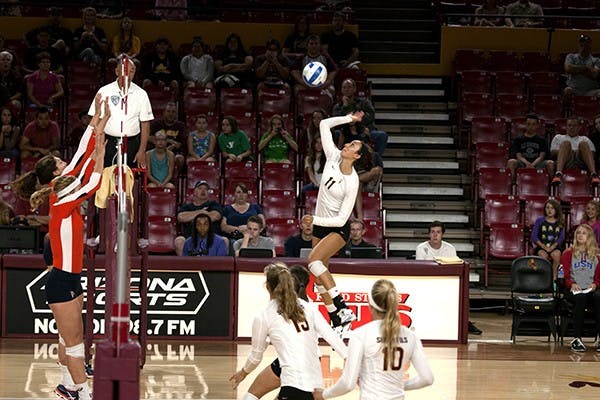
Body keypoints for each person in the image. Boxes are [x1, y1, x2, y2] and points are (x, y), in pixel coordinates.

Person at [29, 100, 108, 400]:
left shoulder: (62, 192)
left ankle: (66, 384)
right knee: (75, 344)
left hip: (70, 278)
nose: (64, 164)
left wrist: (99, 123)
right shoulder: (59, 199)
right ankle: (83, 394)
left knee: (71, 338)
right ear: (54, 175)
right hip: (61, 279)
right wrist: (100, 147)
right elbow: (89, 179)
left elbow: (81, 162)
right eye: (58, 163)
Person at [302, 111, 372, 330]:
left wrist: (314, 218)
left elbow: (343, 218)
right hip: (321, 224)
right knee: (320, 276)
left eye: (353, 147)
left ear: (357, 157)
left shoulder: (352, 182)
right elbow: (323, 124)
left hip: (338, 229)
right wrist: (349, 119)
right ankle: (336, 319)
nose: (348, 146)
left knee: (313, 262)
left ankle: (343, 307)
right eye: (349, 143)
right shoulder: (332, 157)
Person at [230, 262, 340, 400]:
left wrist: (244, 372)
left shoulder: (267, 313)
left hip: (295, 365)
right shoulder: (307, 305)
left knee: (252, 395)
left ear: (268, 287)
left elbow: (258, 353)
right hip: (304, 360)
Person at [318, 279, 434, 400]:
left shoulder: (360, 334)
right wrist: (398, 385)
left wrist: (324, 394)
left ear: (370, 305)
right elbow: (427, 378)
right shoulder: (410, 336)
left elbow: (348, 384)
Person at [416, 221, 482, 335]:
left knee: (462, 293)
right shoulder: (421, 248)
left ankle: (464, 323)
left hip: (446, 283)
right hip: (427, 284)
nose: (435, 235)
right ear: (429, 234)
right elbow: (421, 270)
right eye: (432, 232)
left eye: (438, 232)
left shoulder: (450, 248)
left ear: (443, 234)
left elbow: (456, 267)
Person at [89, 55, 154, 168]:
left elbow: (145, 124)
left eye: (132, 71)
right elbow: (96, 120)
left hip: (132, 143)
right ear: (117, 71)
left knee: (128, 179)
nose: (128, 75)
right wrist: (96, 147)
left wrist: (142, 151)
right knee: (106, 178)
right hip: (108, 142)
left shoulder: (141, 94)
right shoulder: (104, 91)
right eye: (125, 70)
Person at [561, 224, 600, 352]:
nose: (580, 235)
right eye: (578, 233)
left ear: (589, 237)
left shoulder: (597, 255)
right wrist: (571, 283)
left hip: (591, 289)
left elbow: (599, 277)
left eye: (584, 233)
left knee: (598, 297)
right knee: (580, 297)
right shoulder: (568, 253)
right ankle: (577, 339)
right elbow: (564, 276)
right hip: (573, 289)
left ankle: (599, 338)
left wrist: (595, 284)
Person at [332, 78, 388, 157]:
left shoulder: (364, 102)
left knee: (382, 135)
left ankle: (375, 159)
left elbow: (371, 117)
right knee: (336, 134)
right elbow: (337, 123)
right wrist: (345, 107)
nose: (346, 89)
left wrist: (357, 121)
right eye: (344, 87)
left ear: (354, 89)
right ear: (341, 90)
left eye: (349, 87)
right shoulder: (338, 106)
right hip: (345, 132)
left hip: (364, 130)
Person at [174, 180, 223, 256]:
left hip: (212, 237)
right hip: (191, 237)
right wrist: (201, 212)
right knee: (179, 241)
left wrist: (192, 217)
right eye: (200, 188)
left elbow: (216, 216)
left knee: (225, 240)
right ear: (194, 192)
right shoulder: (187, 206)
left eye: (206, 189)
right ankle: (187, 266)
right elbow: (181, 217)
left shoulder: (213, 204)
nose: (203, 191)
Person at [550, 116, 599, 184]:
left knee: (583, 144)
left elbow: (593, 154)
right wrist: (569, 151)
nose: (571, 128)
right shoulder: (558, 137)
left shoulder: (585, 138)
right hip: (566, 160)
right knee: (566, 143)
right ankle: (558, 174)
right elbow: (552, 153)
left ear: (579, 127)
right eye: (569, 125)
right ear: (566, 127)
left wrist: (577, 152)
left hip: (581, 160)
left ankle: (594, 174)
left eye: (574, 126)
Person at [531, 199, 565, 281]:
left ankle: (554, 277)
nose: (549, 210)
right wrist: (544, 247)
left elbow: (561, 237)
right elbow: (534, 236)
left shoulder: (560, 222)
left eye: (552, 208)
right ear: (545, 209)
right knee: (543, 255)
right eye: (547, 208)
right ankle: (544, 277)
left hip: (555, 246)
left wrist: (553, 247)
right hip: (541, 246)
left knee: (556, 255)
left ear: (556, 210)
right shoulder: (540, 220)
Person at [149, 101, 186, 170]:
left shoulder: (181, 126)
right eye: (168, 111)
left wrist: (168, 150)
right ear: (164, 112)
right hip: (156, 150)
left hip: (174, 152)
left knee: (180, 159)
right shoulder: (156, 124)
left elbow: (179, 144)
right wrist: (169, 141)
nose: (170, 114)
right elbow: (149, 138)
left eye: (173, 112)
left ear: (176, 114)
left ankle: (176, 178)